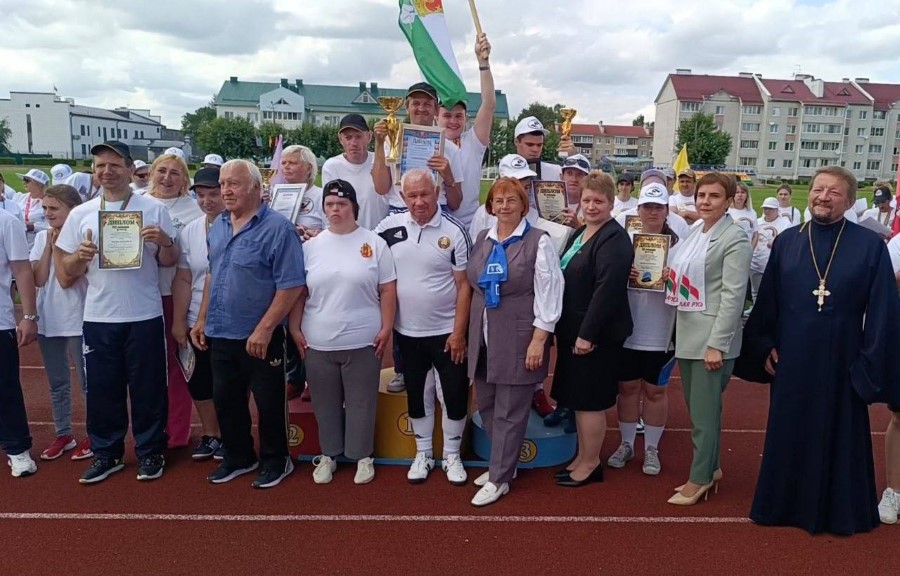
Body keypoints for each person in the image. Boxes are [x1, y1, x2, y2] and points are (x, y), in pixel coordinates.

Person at [743, 166, 900, 535]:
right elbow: (768, 302)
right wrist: (764, 345)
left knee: (840, 435)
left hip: (844, 359)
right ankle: (783, 506)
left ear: (849, 201)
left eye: (834, 192)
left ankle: (840, 512)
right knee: (790, 431)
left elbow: (883, 311)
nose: (823, 197)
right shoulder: (787, 242)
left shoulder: (869, 245)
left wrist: (868, 364)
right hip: (793, 358)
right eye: (818, 189)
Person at [56, 141, 179, 484]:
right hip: (99, 316)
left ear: (129, 168)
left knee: (148, 389)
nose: (106, 172)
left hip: (144, 314)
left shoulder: (153, 208)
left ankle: (151, 451)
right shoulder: (81, 214)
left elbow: (170, 261)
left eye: (113, 165)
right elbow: (65, 274)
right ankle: (107, 453)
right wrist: (79, 256)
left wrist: (165, 241)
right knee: (102, 391)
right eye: (100, 166)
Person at [191, 159, 306, 489]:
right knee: (226, 400)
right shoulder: (218, 226)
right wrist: (202, 318)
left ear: (256, 187)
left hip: (260, 337)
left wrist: (265, 328)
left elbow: (291, 285)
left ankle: (276, 460)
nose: (225, 190)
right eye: (223, 184)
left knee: (269, 403)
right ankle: (239, 456)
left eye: (234, 184)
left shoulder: (279, 229)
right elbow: (212, 274)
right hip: (220, 332)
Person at [290, 179, 396, 485]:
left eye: (342, 204)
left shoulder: (374, 243)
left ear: (353, 207)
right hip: (318, 339)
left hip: (363, 338)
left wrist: (387, 327)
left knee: (362, 401)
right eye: (330, 204)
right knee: (325, 402)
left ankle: (362, 455)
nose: (335, 209)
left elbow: (387, 289)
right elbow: (300, 293)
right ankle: (329, 454)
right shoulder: (310, 247)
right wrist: (294, 328)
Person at [466, 177, 564, 506]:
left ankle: (500, 478)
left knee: (510, 410)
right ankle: (504, 464)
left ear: (524, 205)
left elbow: (550, 292)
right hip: (484, 336)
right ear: (490, 206)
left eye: (512, 200)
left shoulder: (538, 241)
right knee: (488, 405)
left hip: (519, 336)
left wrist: (539, 339)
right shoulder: (483, 237)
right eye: (499, 200)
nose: (505, 206)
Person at [375, 169, 472, 485]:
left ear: (437, 193)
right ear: (403, 197)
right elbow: (359, 248)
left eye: (425, 194)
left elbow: (464, 286)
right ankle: (424, 453)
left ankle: (452, 455)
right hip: (407, 333)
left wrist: (459, 333)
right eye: (412, 196)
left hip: (446, 333)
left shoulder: (455, 231)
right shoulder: (388, 228)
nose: (419, 202)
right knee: (417, 393)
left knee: (454, 394)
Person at [665, 172, 751, 505]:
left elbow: (733, 296)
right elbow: (683, 275)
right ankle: (711, 468)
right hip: (688, 334)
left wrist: (717, 344)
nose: (705, 201)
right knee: (701, 411)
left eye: (714, 196)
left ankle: (699, 477)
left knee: (703, 416)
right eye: (701, 195)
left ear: (729, 201)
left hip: (710, 340)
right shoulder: (696, 231)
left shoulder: (734, 238)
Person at [550, 172, 632, 487]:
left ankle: (591, 463)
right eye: (587, 200)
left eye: (599, 201)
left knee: (590, 402)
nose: (592, 206)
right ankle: (582, 457)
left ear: (611, 203)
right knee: (577, 398)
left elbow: (607, 290)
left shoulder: (614, 239)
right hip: (572, 331)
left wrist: (588, 334)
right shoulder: (580, 232)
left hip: (595, 336)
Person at [608, 181, 680, 476]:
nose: (652, 212)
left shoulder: (680, 246)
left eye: (658, 207)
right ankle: (626, 443)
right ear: (638, 209)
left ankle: (651, 447)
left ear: (666, 211)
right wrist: (623, 272)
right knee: (626, 389)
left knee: (655, 391)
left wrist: (674, 278)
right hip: (628, 330)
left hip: (662, 333)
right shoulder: (623, 242)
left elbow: (690, 289)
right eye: (647, 206)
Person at [147, 152, 204, 450]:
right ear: (152, 173)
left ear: (184, 180)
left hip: (174, 295)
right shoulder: (137, 204)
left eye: (175, 173)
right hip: (140, 296)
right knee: (146, 367)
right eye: (162, 171)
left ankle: (177, 431)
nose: (167, 178)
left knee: (177, 364)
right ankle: (150, 428)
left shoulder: (194, 210)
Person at [30, 184, 90, 461]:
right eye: (45, 208)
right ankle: (63, 433)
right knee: (57, 382)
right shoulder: (42, 237)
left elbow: (68, 281)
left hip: (79, 317)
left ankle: (94, 433)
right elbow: (39, 279)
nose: (48, 213)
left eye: (54, 208)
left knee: (87, 382)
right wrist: (48, 247)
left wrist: (59, 247)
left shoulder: (83, 237)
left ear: (72, 210)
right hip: (49, 319)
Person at [171, 167, 225, 460]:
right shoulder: (191, 230)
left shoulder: (239, 226)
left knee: (229, 382)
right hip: (194, 319)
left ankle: (230, 433)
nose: (207, 201)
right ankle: (211, 434)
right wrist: (179, 321)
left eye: (213, 194)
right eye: (201, 195)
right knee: (199, 380)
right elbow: (184, 278)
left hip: (227, 320)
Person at [372, 81, 464, 214]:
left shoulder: (450, 149)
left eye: (427, 104)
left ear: (436, 110)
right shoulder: (389, 142)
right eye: (416, 103)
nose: (421, 108)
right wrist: (379, 143)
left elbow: (455, 204)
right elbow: (381, 188)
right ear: (407, 107)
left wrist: (449, 177)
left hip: (436, 212)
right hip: (400, 211)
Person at [437, 32, 495, 228]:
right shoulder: (429, 142)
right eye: (447, 116)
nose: (453, 121)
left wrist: (483, 64)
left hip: (470, 225)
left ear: (466, 118)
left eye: (459, 116)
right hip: (438, 223)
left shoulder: (473, 141)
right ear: (436, 117)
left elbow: (488, 104)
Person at [280, 144, 324, 401]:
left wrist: (314, 234)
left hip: (312, 265)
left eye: (293, 163)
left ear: (308, 168)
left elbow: (334, 228)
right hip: (284, 266)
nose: (286, 167)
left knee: (309, 321)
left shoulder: (321, 195)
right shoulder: (276, 194)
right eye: (284, 163)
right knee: (287, 323)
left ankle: (313, 379)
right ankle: (294, 377)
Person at [0, 205, 39, 477]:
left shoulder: (6, 221)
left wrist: (28, 315)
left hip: (0, 321)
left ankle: (17, 448)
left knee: (5, 387)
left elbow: (22, 270)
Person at [321, 114, 388, 230]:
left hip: (380, 233)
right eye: (348, 138)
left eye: (358, 137)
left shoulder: (381, 161)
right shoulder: (332, 167)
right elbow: (330, 205)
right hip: (347, 235)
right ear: (340, 139)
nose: (354, 143)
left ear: (369, 136)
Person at [616, 170, 692, 241]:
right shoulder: (622, 218)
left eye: (658, 186)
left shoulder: (680, 223)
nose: (653, 212)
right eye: (648, 185)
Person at [750, 197, 791, 302]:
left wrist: (776, 243)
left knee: (772, 293)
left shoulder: (785, 224)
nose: (767, 211)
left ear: (777, 209)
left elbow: (789, 244)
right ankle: (755, 310)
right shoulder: (757, 222)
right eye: (765, 208)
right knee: (756, 292)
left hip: (774, 265)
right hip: (756, 263)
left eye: (770, 209)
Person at [13, 168, 50, 248]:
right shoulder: (19, 197)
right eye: (24, 179)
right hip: (19, 243)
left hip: (39, 246)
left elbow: (52, 227)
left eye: (27, 180)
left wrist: (34, 227)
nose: (24, 182)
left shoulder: (50, 202)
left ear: (39, 184)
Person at [559, 154, 591, 227]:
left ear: (587, 179)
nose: (574, 179)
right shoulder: (548, 201)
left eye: (579, 174)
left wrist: (577, 226)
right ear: (561, 176)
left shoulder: (592, 207)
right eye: (569, 173)